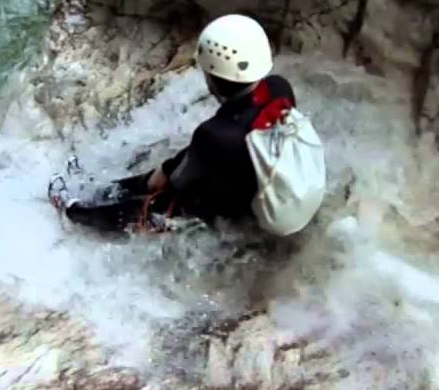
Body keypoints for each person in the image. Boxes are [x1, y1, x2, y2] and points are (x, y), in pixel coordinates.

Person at [51, 14, 297, 233]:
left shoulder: (214, 134)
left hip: (236, 206)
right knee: (173, 169)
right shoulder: (279, 87)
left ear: (210, 77)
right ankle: (102, 191)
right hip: (265, 179)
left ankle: (75, 212)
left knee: (156, 204)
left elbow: (178, 180)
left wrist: (162, 174)